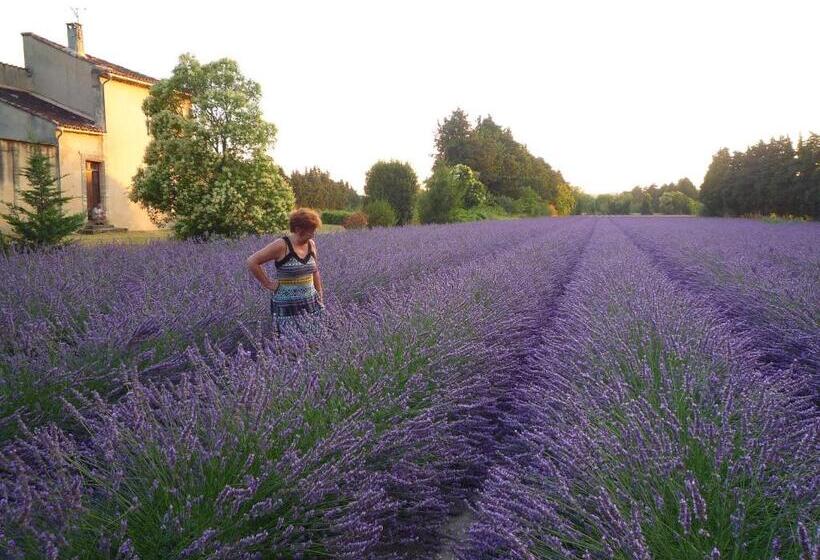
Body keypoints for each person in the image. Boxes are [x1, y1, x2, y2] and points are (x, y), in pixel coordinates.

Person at [246, 208, 324, 335]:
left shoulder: (311, 244)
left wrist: (320, 295)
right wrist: (268, 283)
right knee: (289, 346)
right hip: (287, 307)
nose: (313, 234)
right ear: (299, 229)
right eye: (311, 230)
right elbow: (252, 261)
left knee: (313, 344)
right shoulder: (282, 245)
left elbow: (315, 271)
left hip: (310, 303)